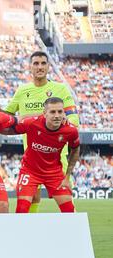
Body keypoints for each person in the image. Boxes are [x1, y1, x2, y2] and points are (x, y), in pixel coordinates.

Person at [5, 51, 80, 213]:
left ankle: (72, 230)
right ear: (30, 67)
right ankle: (29, 231)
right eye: (36, 63)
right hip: (32, 153)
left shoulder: (60, 89)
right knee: (33, 196)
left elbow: (74, 120)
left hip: (57, 155)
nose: (40, 67)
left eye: (43, 63)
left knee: (65, 195)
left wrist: (66, 120)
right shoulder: (23, 90)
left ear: (48, 66)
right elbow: (8, 117)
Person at [3, 97, 80, 213]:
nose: (57, 115)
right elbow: (8, 130)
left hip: (54, 172)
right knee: (22, 209)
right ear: (44, 113)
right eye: (52, 112)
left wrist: (67, 176)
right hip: (30, 171)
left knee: (69, 210)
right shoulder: (32, 123)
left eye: (60, 111)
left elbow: (75, 150)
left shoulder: (70, 130)